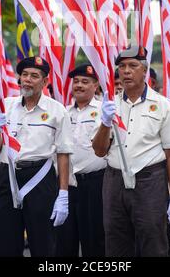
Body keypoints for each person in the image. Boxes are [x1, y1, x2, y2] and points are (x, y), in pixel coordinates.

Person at [92, 46, 170, 257]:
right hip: (114, 181)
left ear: (145, 71)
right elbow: (99, 151)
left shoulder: (163, 106)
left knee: (153, 243)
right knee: (116, 244)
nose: (126, 71)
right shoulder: (109, 105)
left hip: (149, 181)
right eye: (122, 66)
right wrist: (106, 122)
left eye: (133, 66)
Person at [0, 56, 73, 257]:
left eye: (34, 76)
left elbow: (63, 154)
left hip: (40, 179)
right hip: (7, 177)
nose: (27, 79)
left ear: (45, 82)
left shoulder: (56, 110)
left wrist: (63, 194)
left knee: (42, 243)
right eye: (24, 75)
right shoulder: (5, 106)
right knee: (7, 243)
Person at [56, 63, 106, 257]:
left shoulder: (104, 110)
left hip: (95, 183)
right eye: (76, 81)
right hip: (67, 185)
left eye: (85, 82)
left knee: (94, 241)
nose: (79, 85)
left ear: (96, 86)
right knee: (64, 241)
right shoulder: (64, 113)